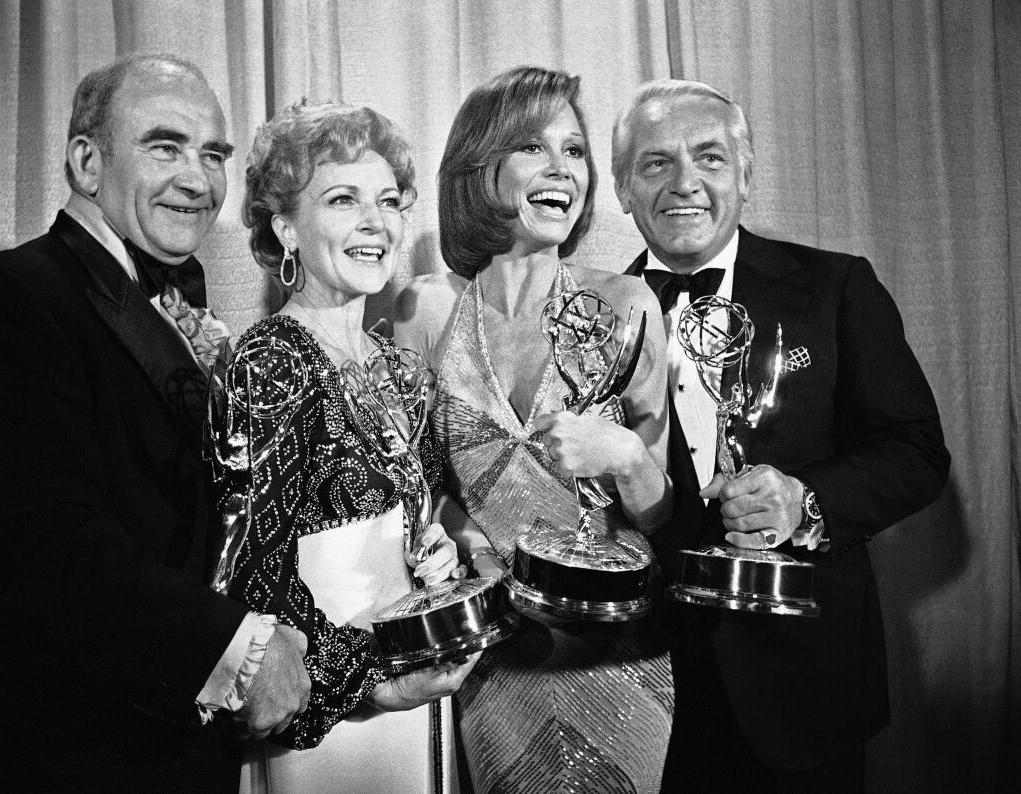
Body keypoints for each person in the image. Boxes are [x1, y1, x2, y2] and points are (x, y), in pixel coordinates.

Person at [0, 54, 312, 793]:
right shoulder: (6, 298)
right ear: (86, 162)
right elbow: (45, 548)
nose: (198, 179)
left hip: (187, 752)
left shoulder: (180, 307)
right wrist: (239, 647)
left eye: (213, 154)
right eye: (166, 146)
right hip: (72, 752)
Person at [612, 78, 951, 792]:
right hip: (639, 685)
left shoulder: (836, 287)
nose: (684, 184)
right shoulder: (586, 318)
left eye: (708, 158)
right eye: (655, 163)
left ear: (745, 174)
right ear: (620, 188)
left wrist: (807, 500)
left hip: (805, 683)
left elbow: (917, 451)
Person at [394, 66, 675, 794]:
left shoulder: (626, 303)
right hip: (498, 661)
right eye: (532, 147)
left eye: (575, 150)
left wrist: (623, 455)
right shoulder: (424, 312)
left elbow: (662, 511)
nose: (562, 170)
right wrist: (465, 537)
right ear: (479, 170)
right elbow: (415, 490)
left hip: (616, 659)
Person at [228, 100, 477, 794]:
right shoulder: (271, 360)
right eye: (344, 200)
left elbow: (419, 519)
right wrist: (374, 683)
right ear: (285, 227)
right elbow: (253, 585)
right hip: (325, 721)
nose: (376, 222)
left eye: (389, 201)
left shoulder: (397, 367)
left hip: (418, 698)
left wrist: (439, 554)